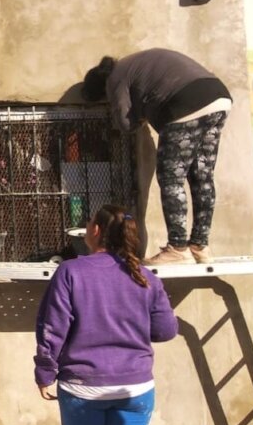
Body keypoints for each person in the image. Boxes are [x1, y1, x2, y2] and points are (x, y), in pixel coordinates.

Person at [34, 204, 178, 425]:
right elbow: (166, 331)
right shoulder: (145, 276)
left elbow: (52, 329)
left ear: (96, 230)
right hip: (136, 386)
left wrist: (45, 373)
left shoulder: (70, 272)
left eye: (88, 223)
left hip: (83, 386)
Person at [82, 49, 231, 265]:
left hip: (185, 106)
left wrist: (135, 116)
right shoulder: (135, 64)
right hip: (218, 98)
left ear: (101, 88)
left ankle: (178, 247)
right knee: (202, 178)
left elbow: (125, 124)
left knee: (171, 177)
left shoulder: (115, 79)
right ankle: (200, 245)